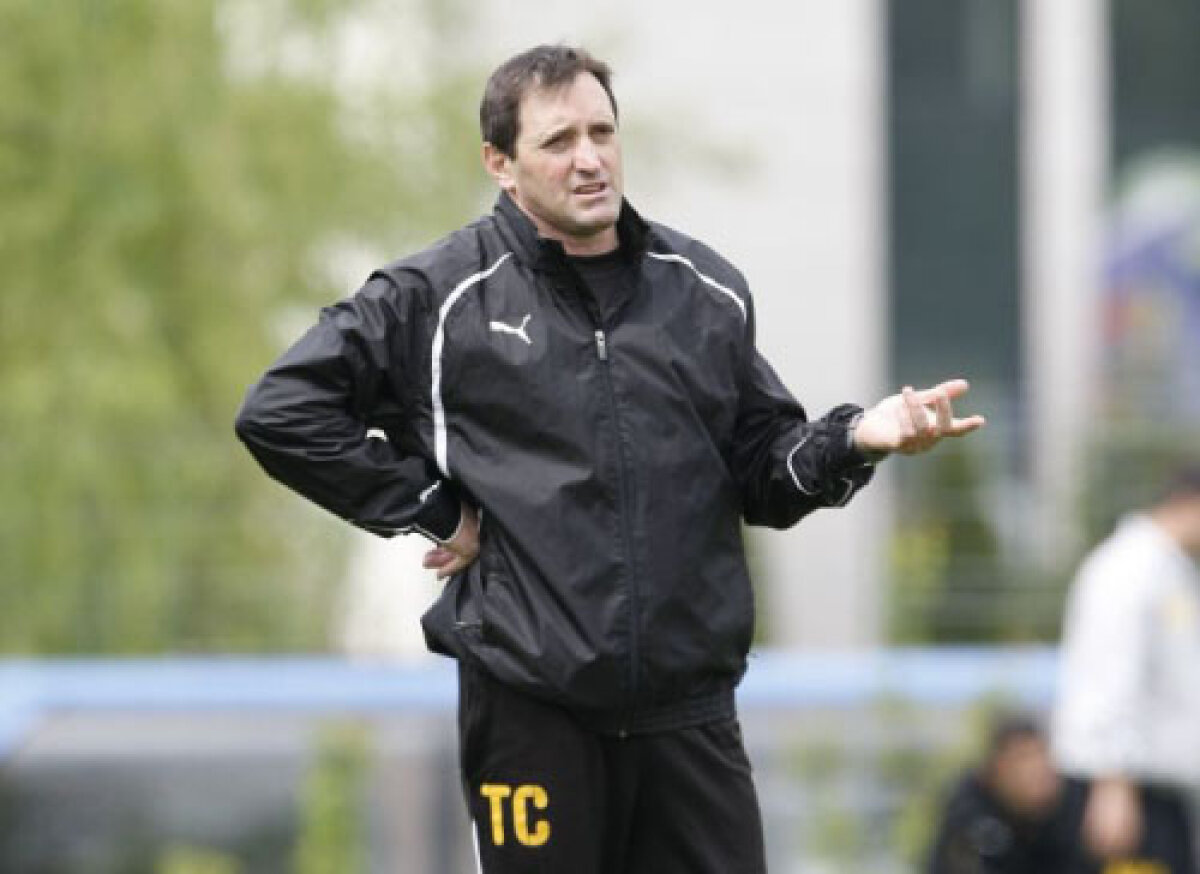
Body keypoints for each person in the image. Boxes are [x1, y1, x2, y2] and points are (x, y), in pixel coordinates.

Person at [235, 44, 985, 874]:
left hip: (690, 721)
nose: (589, 159)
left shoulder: (703, 290)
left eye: (602, 132)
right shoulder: (437, 299)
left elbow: (765, 474)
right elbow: (281, 412)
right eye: (558, 141)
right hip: (532, 717)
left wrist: (857, 437)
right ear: (500, 163)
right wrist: (435, 509)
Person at [1052, 466, 1200, 874]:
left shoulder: (1171, 570)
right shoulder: (1127, 568)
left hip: (1156, 791)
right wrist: (1113, 782)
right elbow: (1108, 675)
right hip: (1124, 790)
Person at [927, 713, 1078, 874]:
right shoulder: (969, 813)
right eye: (1023, 758)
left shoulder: (1073, 804)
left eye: (1041, 757)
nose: (1037, 770)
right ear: (997, 768)